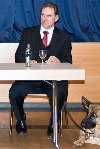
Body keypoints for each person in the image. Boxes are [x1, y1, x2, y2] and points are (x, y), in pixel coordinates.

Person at [9, 2, 72, 136]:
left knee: (60, 92)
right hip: (30, 78)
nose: (44, 18)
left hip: (53, 79)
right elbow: (18, 55)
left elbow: (68, 60)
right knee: (14, 92)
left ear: (56, 18)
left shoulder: (64, 37)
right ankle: (20, 119)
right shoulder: (28, 32)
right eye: (42, 15)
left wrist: (59, 61)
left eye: (48, 16)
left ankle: (53, 122)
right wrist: (27, 60)